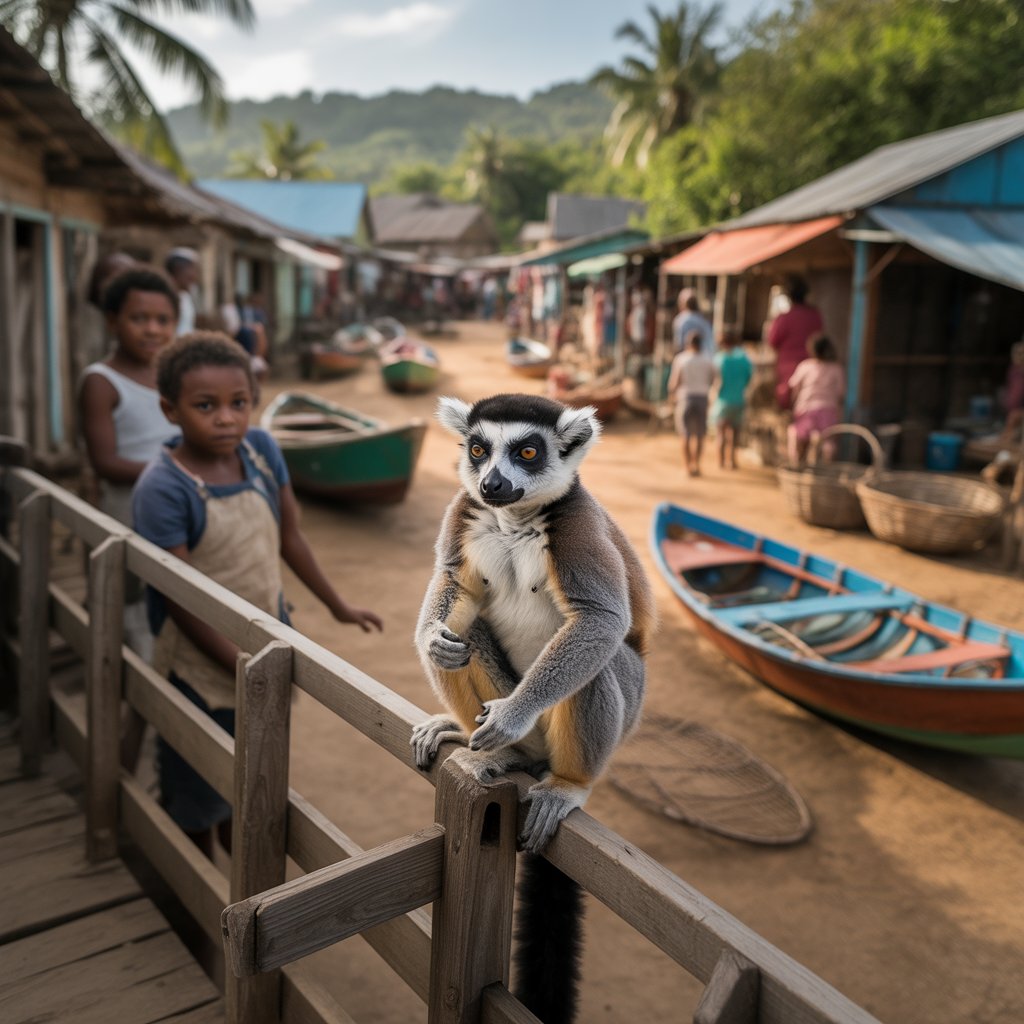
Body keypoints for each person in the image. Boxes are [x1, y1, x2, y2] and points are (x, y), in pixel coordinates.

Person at [133, 332, 383, 855]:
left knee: (256, 776)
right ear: (169, 409)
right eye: (206, 406)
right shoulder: (164, 488)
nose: (226, 418)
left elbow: (289, 535)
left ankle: (237, 856)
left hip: (268, 638)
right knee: (197, 788)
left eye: (239, 403)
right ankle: (198, 888)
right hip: (201, 666)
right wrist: (243, 665)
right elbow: (183, 600)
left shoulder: (262, 451)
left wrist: (337, 606)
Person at [767, 274, 824, 410]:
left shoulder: (784, 318)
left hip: (788, 367)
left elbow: (773, 340)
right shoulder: (815, 315)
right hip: (812, 366)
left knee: (787, 403)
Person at [786, 334, 846, 464]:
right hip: (828, 410)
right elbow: (841, 393)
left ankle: (798, 467)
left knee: (801, 440)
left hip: (806, 408)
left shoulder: (805, 366)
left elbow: (794, 389)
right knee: (828, 442)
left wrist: (792, 407)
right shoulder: (836, 368)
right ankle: (826, 468)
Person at [668, 329, 716, 477]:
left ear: (688, 344)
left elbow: (674, 383)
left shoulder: (681, 359)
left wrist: (671, 397)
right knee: (700, 434)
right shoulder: (708, 360)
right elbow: (713, 380)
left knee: (685, 434)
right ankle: (697, 464)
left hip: (685, 398)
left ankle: (688, 467)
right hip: (702, 398)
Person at [711, 325, 753, 470]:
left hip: (723, 401)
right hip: (739, 400)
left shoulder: (719, 358)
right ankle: (733, 461)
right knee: (735, 434)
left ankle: (721, 462)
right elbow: (749, 377)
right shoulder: (743, 357)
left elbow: (715, 380)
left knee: (720, 434)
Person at [164, 247, 200, 336]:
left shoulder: (186, 297)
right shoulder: (164, 298)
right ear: (178, 269)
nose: (195, 276)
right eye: (192, 270)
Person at [671, 290, 713, 356]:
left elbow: (678, 343)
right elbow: (710, 341)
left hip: (686, 357)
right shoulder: (703, 320)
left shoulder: (680, 320)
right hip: (703, 356)